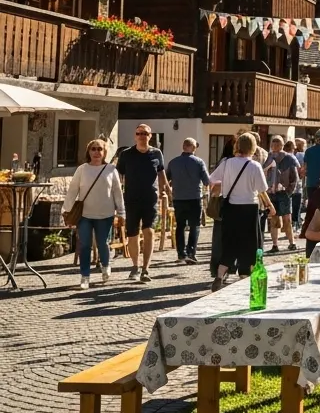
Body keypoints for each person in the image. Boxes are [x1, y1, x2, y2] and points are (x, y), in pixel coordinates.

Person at [209, 132, 271, 291]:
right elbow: (262, 189)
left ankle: (219, 275)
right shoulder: (254, 165)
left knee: (229, 243)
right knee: (250, 246)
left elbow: (212, 180)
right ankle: (248, 281)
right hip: (249, 208)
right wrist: (269, 205)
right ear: (253, 147)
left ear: (237, 146)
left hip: (230, 207)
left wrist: (223, 188)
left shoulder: (226, 162)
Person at [62, 140, 125, 289]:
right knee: (85, 245)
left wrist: (121, 212)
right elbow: (72, 191)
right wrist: (66, 210)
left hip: (105, 213)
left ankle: (105, 265)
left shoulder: (111, 170)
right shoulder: (82, 170)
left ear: (104, 152)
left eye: (99, 149)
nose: (96, 152)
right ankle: (85, 277)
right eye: (93, 149)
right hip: (84, 214)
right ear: (88, 151)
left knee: (103, 243)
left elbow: (117, 192)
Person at [117, 124, 170, 284]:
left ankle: (146, 268)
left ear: (150, 136)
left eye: (145, 133)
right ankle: (135, 265)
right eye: (139, 133)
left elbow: (161, 172)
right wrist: (116, 196)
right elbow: (118, 176)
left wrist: (166, 189)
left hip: (150, 199)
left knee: (149, 232)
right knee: (132, 234)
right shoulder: (126, 154)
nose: (142, 136)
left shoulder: (156, 153)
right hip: (131, 199)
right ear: (135, 136)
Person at [165, 138, 210, 265]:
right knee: (194, 225)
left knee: (180, 225)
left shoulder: (173, 162)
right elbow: (207, 181)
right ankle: (191, 253)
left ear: (183, 146)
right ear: (194, 148)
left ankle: (181, 253)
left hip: (178, 198)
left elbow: (167, 179)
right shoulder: (199, 162)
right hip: (194, 197)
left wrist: (170, 191)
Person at [266, 136, 298, 252]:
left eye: (277, 144)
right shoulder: (268, 158)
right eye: (273, 145)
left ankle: (292, 243)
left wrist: (289, 192)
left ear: (282, 145)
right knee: (274, 220)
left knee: (287, 219)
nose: (275, 147)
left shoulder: (289, 158)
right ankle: (275, 245)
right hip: (272, 192)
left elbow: (294, 178)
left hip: (284, 193)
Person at [277, 140, 303, 238]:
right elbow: (299, 169)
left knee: (284, 211)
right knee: (294, 211)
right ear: (293, 148)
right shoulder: (293, 157)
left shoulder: (280, 157)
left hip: (284, 188)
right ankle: (293, 230)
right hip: (295, 188)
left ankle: (285, 229)